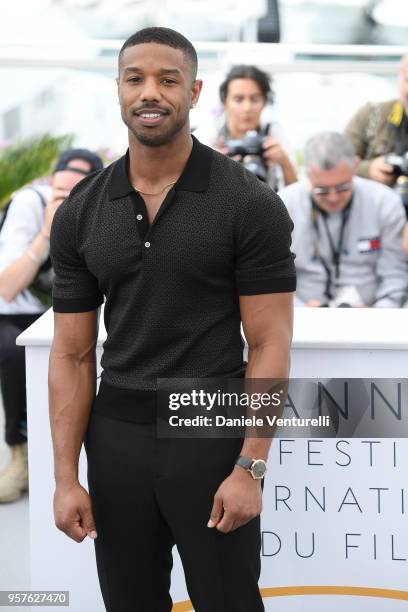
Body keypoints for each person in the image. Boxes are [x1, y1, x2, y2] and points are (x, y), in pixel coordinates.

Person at [48, 27, 296, 612]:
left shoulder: (248, 202)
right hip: (117, 434)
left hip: (210, 426)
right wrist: (64, 478)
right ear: (118, 89)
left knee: (228, 600)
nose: (149, 92)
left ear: (194, 90)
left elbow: (269, 342)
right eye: (135, 79)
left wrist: (251, 466)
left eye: (167, 79)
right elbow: (72, 354)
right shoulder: (82, 208)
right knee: (129, 601)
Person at [0, 149, 103, 503]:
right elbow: (7, 287)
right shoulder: (29, 204)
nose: (66, 204)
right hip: (21, 312)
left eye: (75, 197)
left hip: (82, 311)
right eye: (61, 195)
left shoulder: (104, 207)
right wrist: (48, 231)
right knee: (12, 349)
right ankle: (21, 451)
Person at [278, 132, 407, 308]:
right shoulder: (283, 205)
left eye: (343, 187)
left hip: (371, 317)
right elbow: (274, 279)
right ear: (306, 173)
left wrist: (379, 313)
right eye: (322, 190)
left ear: (355, 166)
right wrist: (299, 311)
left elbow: (395, 275)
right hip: (300, 318)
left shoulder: (385, 203)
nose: (333, 198)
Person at [194, 64, 297, 190]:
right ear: (224, 102)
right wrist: (212, 164)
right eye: (238, 99)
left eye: (255, 99)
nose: (247, 108)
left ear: (265, 101)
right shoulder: (209, 133)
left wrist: (284, 163)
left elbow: (295, 195)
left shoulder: (274, 133)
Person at [345, 54, 408, 187]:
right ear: (399, 76)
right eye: (407, 80)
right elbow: (336, 163)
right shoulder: (371, 115)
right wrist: (368, 169)